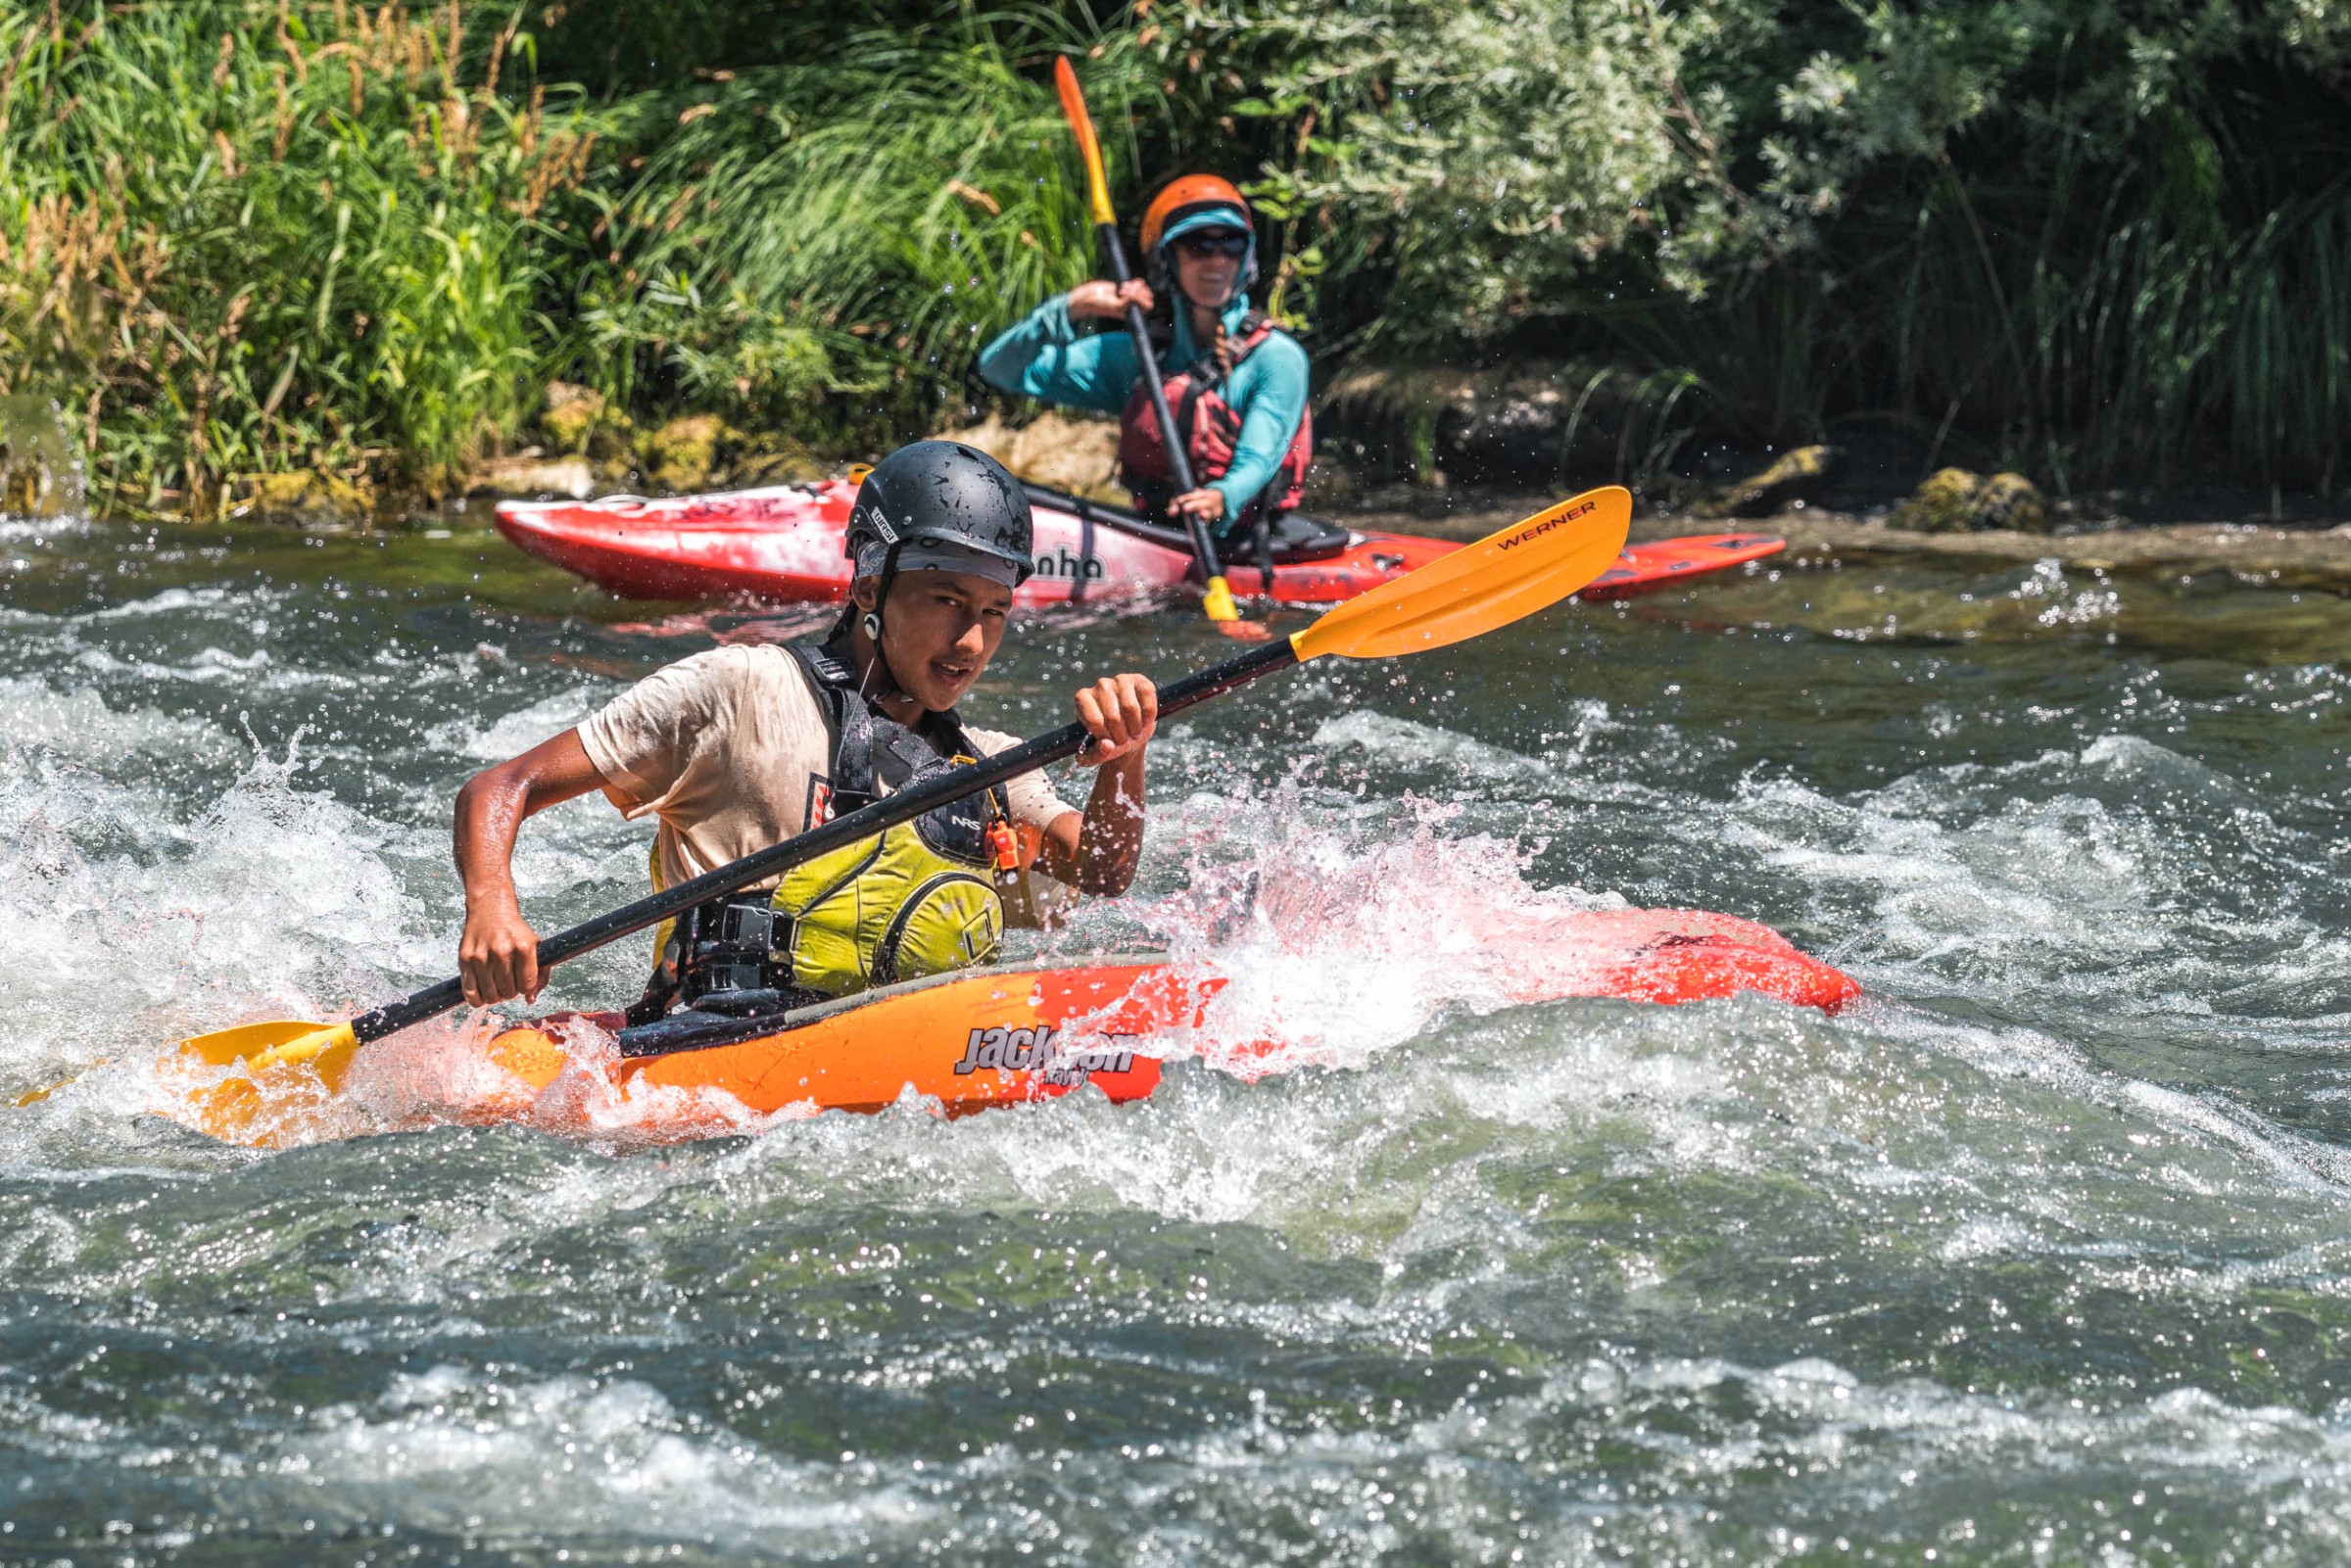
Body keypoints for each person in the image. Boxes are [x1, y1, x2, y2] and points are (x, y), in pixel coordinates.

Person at [451, 441, 1158, 1026]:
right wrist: (492, 907)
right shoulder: (741, 692)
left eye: (995, 612)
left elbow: (1100, 870)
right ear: (870, 588)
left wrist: (1123, 756)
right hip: (705, 1061)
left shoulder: (989, 768)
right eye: (946, 600)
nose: (971, 641)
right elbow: (500, 786)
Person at [978, 174, 1316, 566]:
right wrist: (1074, 305)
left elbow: (1259, 459)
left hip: (1245, 548)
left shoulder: (1276, 358)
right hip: (1156, 533)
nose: (1217, 259)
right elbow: (1001, 368)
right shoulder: (1137, 357)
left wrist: (1222, 497)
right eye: (1198, 244)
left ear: (1247, 256)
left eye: (1231, 243)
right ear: (1167, 261)